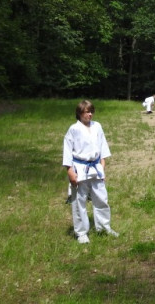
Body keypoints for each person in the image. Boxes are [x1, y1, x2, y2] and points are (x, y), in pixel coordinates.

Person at [63, 100, 118, 243]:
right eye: (87, 112)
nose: (90, 114)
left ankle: (104, 227)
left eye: (91, 111)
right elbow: (67, 151)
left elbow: (102, 146)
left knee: (101, 199)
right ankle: (81, 233)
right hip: (79, 168)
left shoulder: (97, 126)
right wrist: (70, 172)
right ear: (79, 113)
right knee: (79, 201)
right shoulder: (74, 129)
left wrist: (102, 165)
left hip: (96, 168)